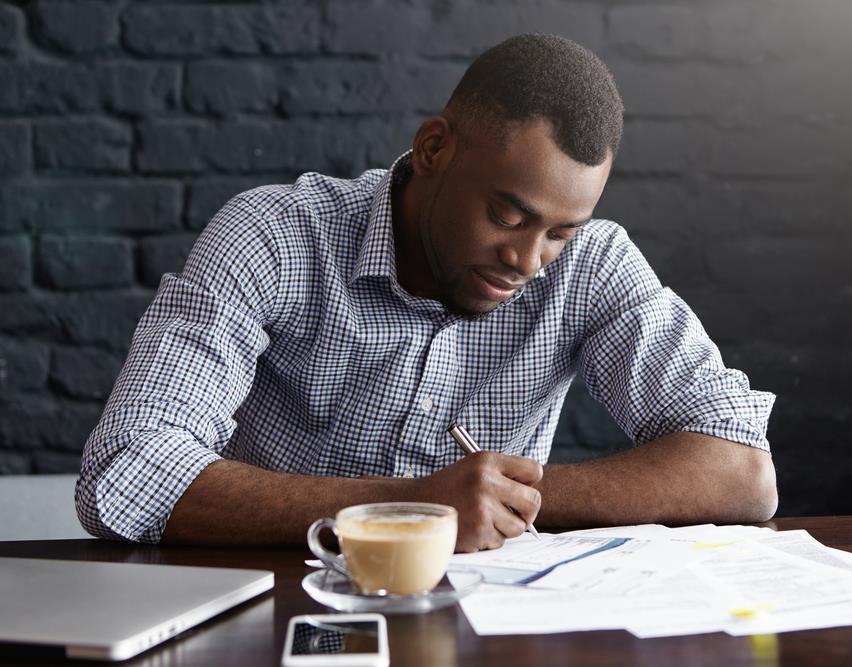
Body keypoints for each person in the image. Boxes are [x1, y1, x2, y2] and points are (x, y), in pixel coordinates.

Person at [76, 34, 778, 552]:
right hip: (276, 612)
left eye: (560, 231)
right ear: (435, 147)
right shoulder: (274, 237)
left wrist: (503, 497)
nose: (528, 260)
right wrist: (412, 505)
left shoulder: (591, 265)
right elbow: (126, 471)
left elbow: (743, 471)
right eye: (508, 214)